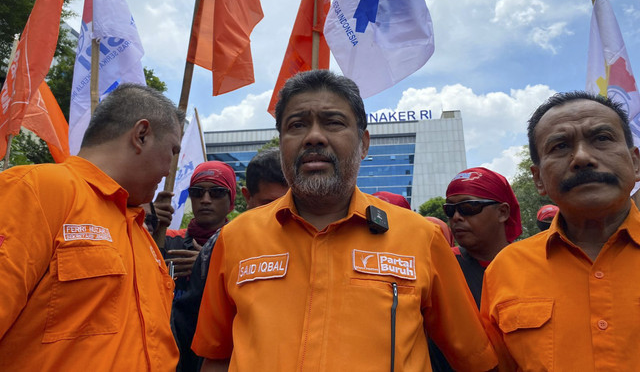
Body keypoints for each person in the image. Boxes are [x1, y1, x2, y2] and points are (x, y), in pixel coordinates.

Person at [192, 69, 497, 371]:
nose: (313, 136)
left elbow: (474, 360)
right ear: (282, 142)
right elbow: (216, 357)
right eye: (297, 125)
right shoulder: (235, 238)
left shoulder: (421, 238)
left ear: (364, 143)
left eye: (333, 122)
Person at [0, 83, 184, 371]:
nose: (169, 169)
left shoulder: (139, 232)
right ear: (142, 135)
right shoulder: (38, 190)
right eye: (173, 150)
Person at [481, 91, 640, 370]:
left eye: (602, 138)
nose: (582, 157)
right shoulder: (505, 269)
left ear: (635, 162)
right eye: (559, 146)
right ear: (538, 179)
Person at [173, 149, 288, 371]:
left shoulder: (311, 241)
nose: (279, 212)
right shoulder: (221, 246)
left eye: (216, 192)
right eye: (197, 192)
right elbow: (197, 337)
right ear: (247, 197)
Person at [445, 167, 522, 307]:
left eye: (468, 207)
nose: (456, 217)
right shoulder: (442, 266)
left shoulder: (534, 265)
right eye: (449, 210)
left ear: (502, 212)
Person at [164, 161, 236, 294]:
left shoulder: (241, 245)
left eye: (217, 192)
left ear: (231, 200)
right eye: (197, 192)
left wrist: (212, 265)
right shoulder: (168, 241)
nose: (206, 200)